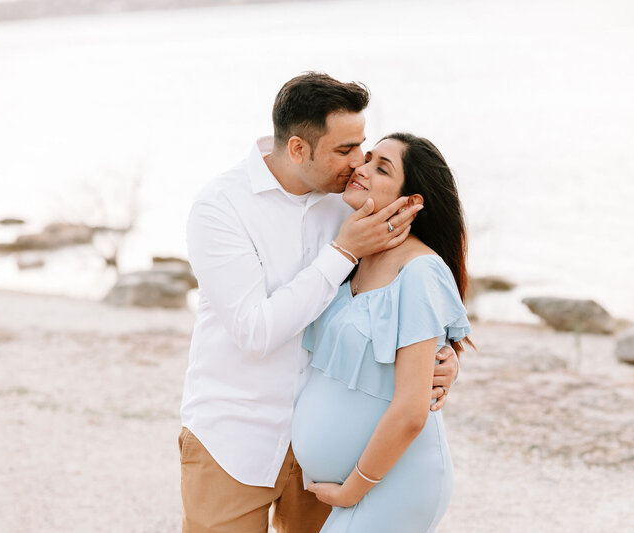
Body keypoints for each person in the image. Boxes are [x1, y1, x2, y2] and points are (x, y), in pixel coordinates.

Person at [179, 73, 461, 533]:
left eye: (363, 149)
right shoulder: (221, 207)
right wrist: (342, 252)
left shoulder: (348, 202)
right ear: (297, 149)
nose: (358, 164)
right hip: (233, 438)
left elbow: (395, 300)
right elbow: (255, 331)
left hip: (329, 459)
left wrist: (441, 359)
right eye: (345, 151)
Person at [291, 132, 472, 532]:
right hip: (356, 486)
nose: (361, 168)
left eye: (381, 167)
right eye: (366, 158)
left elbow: (411, 411)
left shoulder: (420, 272)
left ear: (411, 202)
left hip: (393, 483)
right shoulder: (353, 253)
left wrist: (352, 489)